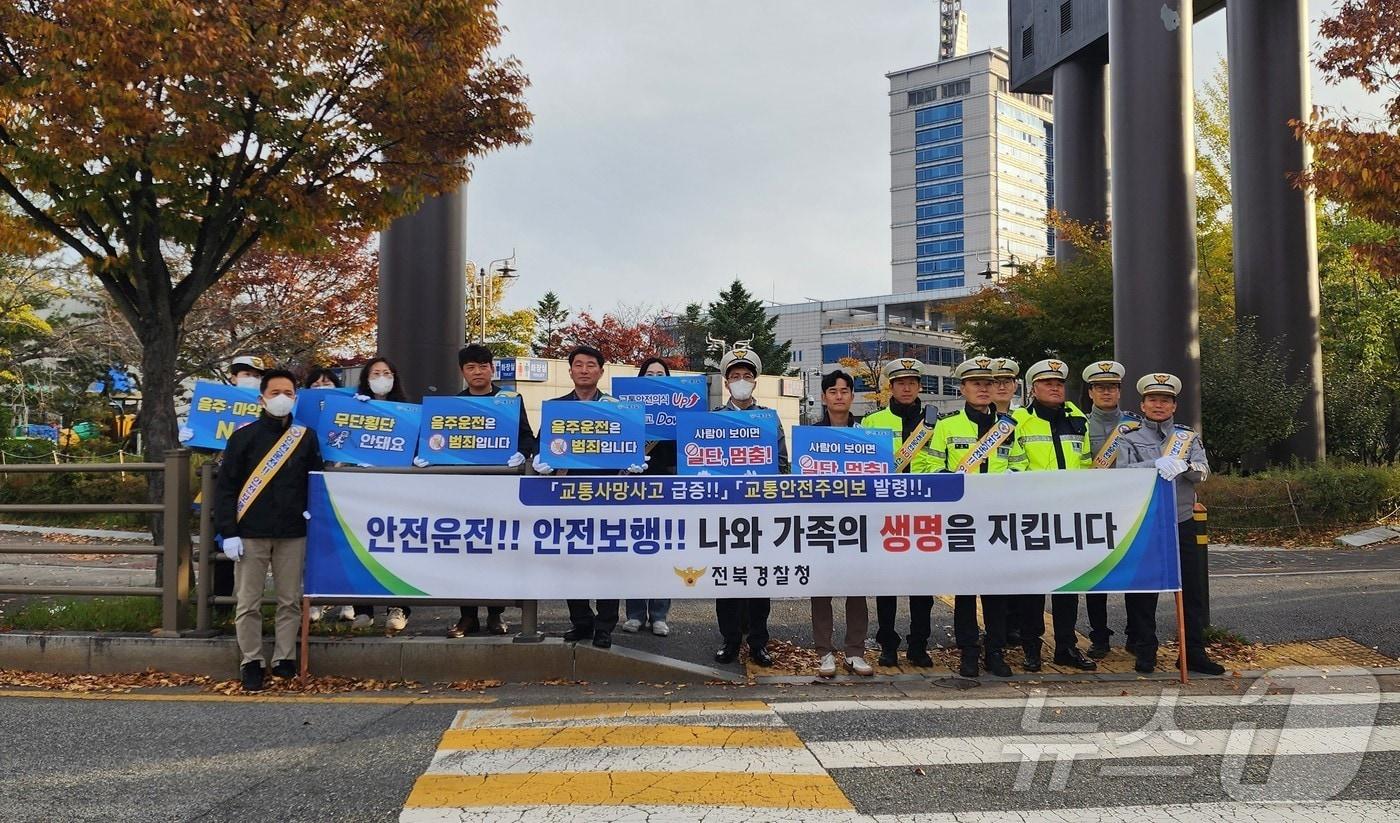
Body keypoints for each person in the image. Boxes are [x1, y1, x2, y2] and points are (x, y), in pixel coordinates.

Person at [213, 369, 323, 691]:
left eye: (288, 393)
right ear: (261, 398)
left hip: (293, 531)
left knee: (290, 599)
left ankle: (284, 657)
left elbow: (315, 481)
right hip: (250, 532)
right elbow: (226, 488)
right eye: (275, 392)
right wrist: (228, 531)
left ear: (296, 398)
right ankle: (252, 660)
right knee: (248, 601)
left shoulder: (306, 437)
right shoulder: (243, 436)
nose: (282, 398)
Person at [1116, 373, 1225, 676]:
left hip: (1182, 519)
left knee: (1192, 589)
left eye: (1165, 400)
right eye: (1153, 400)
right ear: (1143, 404)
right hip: (1145, 521)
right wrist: (1154, 464)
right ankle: (1144, 649)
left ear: (1174, 405)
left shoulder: (1186, 436)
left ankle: (1193, 652)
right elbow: (1122, 472)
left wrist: (1186, 466)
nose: (1159, 405)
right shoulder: (1128, 435)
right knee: (1143, 588)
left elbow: (1203, 471)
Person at [929, 357, 1027, 678]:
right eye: (976, 383)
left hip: (996, 517)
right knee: (966, 589)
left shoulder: (1008, 426)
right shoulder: (946, 426)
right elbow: (926, 467)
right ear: (963, 389)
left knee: (997, 590)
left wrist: (1007, 484)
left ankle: (995, 651)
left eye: (988, 383)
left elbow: (1019, 464)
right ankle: (968, 652)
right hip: (961, 519)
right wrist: (951, 480)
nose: (984, 389)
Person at [532, 345, 630, 649]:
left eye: (591, 365)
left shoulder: (617, 409)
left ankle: (604, 626)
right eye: (578, 364)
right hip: (567, 497)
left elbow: (630, 445)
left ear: (601, 371)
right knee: (571, 561)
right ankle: (581, 622)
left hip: (608, 495)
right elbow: (540, 447)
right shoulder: (557, 408)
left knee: (606, 563)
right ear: (570, 370)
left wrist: (633, 464)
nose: (584, 370)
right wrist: (540, 462)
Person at [1010, 359, 1097, 672]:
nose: (1055, 387)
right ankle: (1031, 649)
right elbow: (1013, 465)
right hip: (1033, 513)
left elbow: (1086, 464)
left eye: (1059, 383)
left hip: (1069, 513)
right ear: (1033, 388)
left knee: (1068, 587)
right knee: (1032, 588)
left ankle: (1066, 648)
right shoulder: (1018, 419)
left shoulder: (1077, 417)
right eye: (1047, 383)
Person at [447, 344, 537, 638]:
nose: (477, 372)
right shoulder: (454, 403)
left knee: (498, 550)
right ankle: (467, 616)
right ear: (463, 372)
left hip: (501, 486)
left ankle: (496, 614)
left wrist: (522, 455)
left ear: (492, 369)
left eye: (483, 366)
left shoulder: (509, 400)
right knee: (466, 551)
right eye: (471, 367)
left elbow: (527, 437)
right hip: (466, 488)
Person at [712, 345, 787, 667]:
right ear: (726, 383)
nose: (741, 381)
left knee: (759, 579)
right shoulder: (711, 420)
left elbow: (783, 464)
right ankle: (730, 641)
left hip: (760, 511)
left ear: (755, 382)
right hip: (723, 513)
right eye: (735, 376)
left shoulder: (769, 420)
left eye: (747, 376)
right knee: (727, 579)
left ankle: (758, 642)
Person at [860, 357, 939, 669]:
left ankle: (919, 645)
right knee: (887, 583)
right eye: (900, 382)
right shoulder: (872, 422)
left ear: (919, 386)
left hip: (924, 512)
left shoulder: (936, 421)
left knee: (923, 584)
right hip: (886, 511)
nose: (906, 387)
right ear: (890, 387)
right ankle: (888, 644)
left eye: (912, 382)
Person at [809, 369, 873, 677]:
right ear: (823, 397)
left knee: (857, 586)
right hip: (821, 519)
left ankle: (855, 651)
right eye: (832, 391)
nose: (838, 396)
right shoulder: (811, 435)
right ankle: (824, 652)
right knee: (821, 587)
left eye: (844, 390)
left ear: (852, 395)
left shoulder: (866, 434)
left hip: (857, 520)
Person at [350, 357, 411, 633]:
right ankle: (363, 609)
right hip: (361, 493)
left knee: (397, 549)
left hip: (397, 491)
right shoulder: (353, 409)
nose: (382, 377)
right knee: (362, 549)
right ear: (365, 378)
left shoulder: (408, 410)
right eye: (375, 373)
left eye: (387, 372)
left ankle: (397, 607)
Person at [623, 356, 677, 638]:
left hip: (665, 486)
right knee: (634, 551)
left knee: (662, 553)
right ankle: (634, 613)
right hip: (634, 485)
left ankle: (659, 614)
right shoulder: (626, 410)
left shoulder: (678, 411)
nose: (655, 377)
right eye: (649, 373)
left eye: (661, 373)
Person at [1081, 360, 1131, 659]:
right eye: (1100, 387)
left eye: (1112, 387)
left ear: (1119, 391)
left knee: (1133, 575)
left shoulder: (1134, 424)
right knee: (1096, 578)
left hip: (1128, 509)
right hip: (1093, 508)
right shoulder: (1080, 424)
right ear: (1090, 392)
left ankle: (1135, 635)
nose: (1107, 392)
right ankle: (1099, 636)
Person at [299, 368, 354, 625]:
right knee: (311, 549)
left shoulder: (350, 414)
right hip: (308, 488)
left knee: (343, 547)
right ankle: (314, 604)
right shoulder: (298, 417)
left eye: (329, 382)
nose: (323, 387)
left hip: (344, 488)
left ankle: (347, 602)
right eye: (317, 383)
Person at [989, 357, 1024, 645]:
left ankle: (1014, 625)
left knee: (1015, 570)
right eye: (994, 381)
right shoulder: (967, 419)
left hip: (1015, 504)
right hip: (976, 507)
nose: (1001, 386)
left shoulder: (1024, 419)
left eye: (1006, 380)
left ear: (1015, 385)